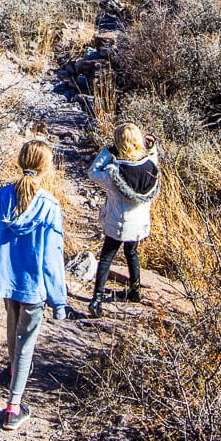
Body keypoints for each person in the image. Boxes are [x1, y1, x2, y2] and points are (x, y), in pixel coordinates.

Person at [0, 139, 68, 431]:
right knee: (25, 342)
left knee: (12, 332)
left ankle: (13, 372)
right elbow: (53, 258)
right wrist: (59, 300)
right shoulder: (49, 206)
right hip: (33, 287)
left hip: (6, 281)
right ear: (47, 168)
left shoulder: (2, 197)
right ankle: (13, 406)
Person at [86, 122, 160, 317]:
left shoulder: (114, 172)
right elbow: (153, 159)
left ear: (119, 144)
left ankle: (97, 299)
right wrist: (151, 148)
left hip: (118, 224)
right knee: (132, 252)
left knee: (107, 256)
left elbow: (93, 173)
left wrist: (106, 152)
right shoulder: (150, 167)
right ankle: (135, 291)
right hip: (139, 225)